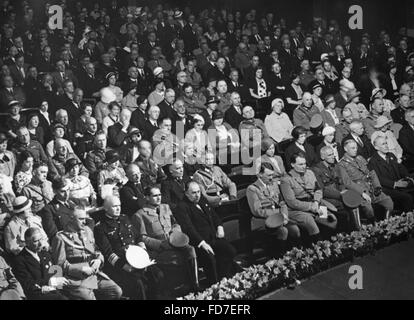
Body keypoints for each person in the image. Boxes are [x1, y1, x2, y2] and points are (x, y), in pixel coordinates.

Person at [94, 196, 163, 300]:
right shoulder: (100, 227)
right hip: (119, 265)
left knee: (157, 274)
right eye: (114, 206)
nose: (118, 208)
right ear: (106, 208)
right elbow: (108, 253)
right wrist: (124, 266)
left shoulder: (125, 218)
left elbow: (138, 237)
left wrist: (143, 251)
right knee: (138, 284)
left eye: (119, 206)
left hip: (137, 258)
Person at [134, 187, 199, 292]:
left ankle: (195, 285)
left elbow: (175, 223)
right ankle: (180, 289)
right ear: (147, 197)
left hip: (174, 241)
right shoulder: (140, 214)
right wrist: (160, 244)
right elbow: (142, 237)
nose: (158, 198)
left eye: (159, 195)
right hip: (159, 249)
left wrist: (175, 233)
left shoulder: (166, 207)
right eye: (155, 196)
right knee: (177, 257)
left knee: (190, 249)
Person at [51, 207, 122, 300]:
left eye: (85, 218)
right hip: (76, 280)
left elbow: (96, 250)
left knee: (116, 291)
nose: (84, 222)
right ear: (71, 218)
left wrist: (99, 260)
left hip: (94, 276)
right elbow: (59, 265)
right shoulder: (60, 238)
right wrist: (81, 269)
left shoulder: (87, 231)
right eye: (80, 219)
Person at [175, 181, 237, 286]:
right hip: (199, 243)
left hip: (214, 237)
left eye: (198, 192)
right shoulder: (182, 207)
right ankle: (216, 284)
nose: (197, 195)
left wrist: (219, 226)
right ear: (186, 193)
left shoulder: (202, 200)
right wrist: (202, 243)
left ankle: (225, 278)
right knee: (210, 259)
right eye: (194, 193)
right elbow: (189, 229)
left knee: (230, 251)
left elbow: (214, 216)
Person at [247, 162, 301, 257]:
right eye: (268, 175)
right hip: (263, 221)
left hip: (280, 217)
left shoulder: (274, 184)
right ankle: (280, 257)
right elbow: (258, 211)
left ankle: (295, 254)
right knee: (283, 231)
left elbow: (282, 203)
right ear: (259, 174)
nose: (271, 177)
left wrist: (284, 215)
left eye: (272, 174)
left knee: (295, 229)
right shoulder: (252, 189)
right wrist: (279, 213)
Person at [280, 152, 335, 244]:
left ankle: (331, 245)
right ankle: (318, 247)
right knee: (310, 221)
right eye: (300, 164)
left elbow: (318, 189)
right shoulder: (286, 180)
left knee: (330, 220)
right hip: (297, 209)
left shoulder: (310, 173)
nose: (303, 166)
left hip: (315, 204)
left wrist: (316, 202)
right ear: (292, 165)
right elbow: (292, 202)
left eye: (305, 163)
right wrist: (311, 207)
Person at [338, 139, 394, 222]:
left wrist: (377, 186)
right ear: (346, 149)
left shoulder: (360, 158)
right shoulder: (341, 164)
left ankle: (387, 222)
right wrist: (362, 193)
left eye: (356, 148)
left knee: (388, 202)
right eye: (353, 148)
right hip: (359, 191)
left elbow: (372, 172)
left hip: (372, 187)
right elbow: (347, 182)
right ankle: (373, 226)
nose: (355, 150)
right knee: (368, 209)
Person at [13, 227, 68, 300]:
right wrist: (48, 282)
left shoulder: (45, 254)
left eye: (41, 239)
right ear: (27, 243)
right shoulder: (20, 260)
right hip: (37, 294)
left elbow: (53, 273)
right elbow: (27, 284)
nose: (41, 244)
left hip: (53, 291)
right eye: (36, 241)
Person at [312, 146, 357, 232]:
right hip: (326, 198)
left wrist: (343, 191)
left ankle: (355, 233)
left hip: (339, 195)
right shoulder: (316, 169)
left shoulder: (336, 166)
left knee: (353, 204)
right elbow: (322, 190)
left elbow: (341, 182)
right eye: (329, 155)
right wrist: (340, 194)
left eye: (333, 154)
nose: (333, 156)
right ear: (322, 157)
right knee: (343, 212)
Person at [368, 136, 414, 213]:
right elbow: (378, 178)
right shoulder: (373, 161)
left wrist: (408, 178)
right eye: (383, 144)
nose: (386, 145)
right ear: (376, 147)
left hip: (400, 184)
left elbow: (400, 168)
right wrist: (395, 184)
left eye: (386, 143)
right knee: (407, 197)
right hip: (387, 188)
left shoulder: (391, 155)